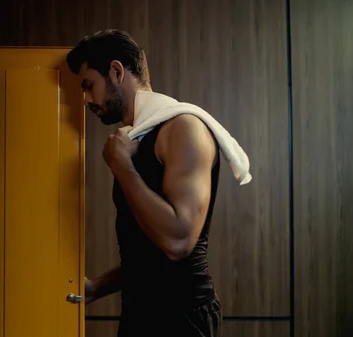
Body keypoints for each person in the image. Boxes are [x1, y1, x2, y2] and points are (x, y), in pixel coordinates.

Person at [66, 29, 222, 337]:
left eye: (89, 86)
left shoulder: (183, 129)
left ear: (116, 71)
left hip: (183, 319)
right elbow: (150, 257)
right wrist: (98, 287)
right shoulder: (136, 139)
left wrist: (122, 167)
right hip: (140, 313)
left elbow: (178, 242)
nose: (85, 99)